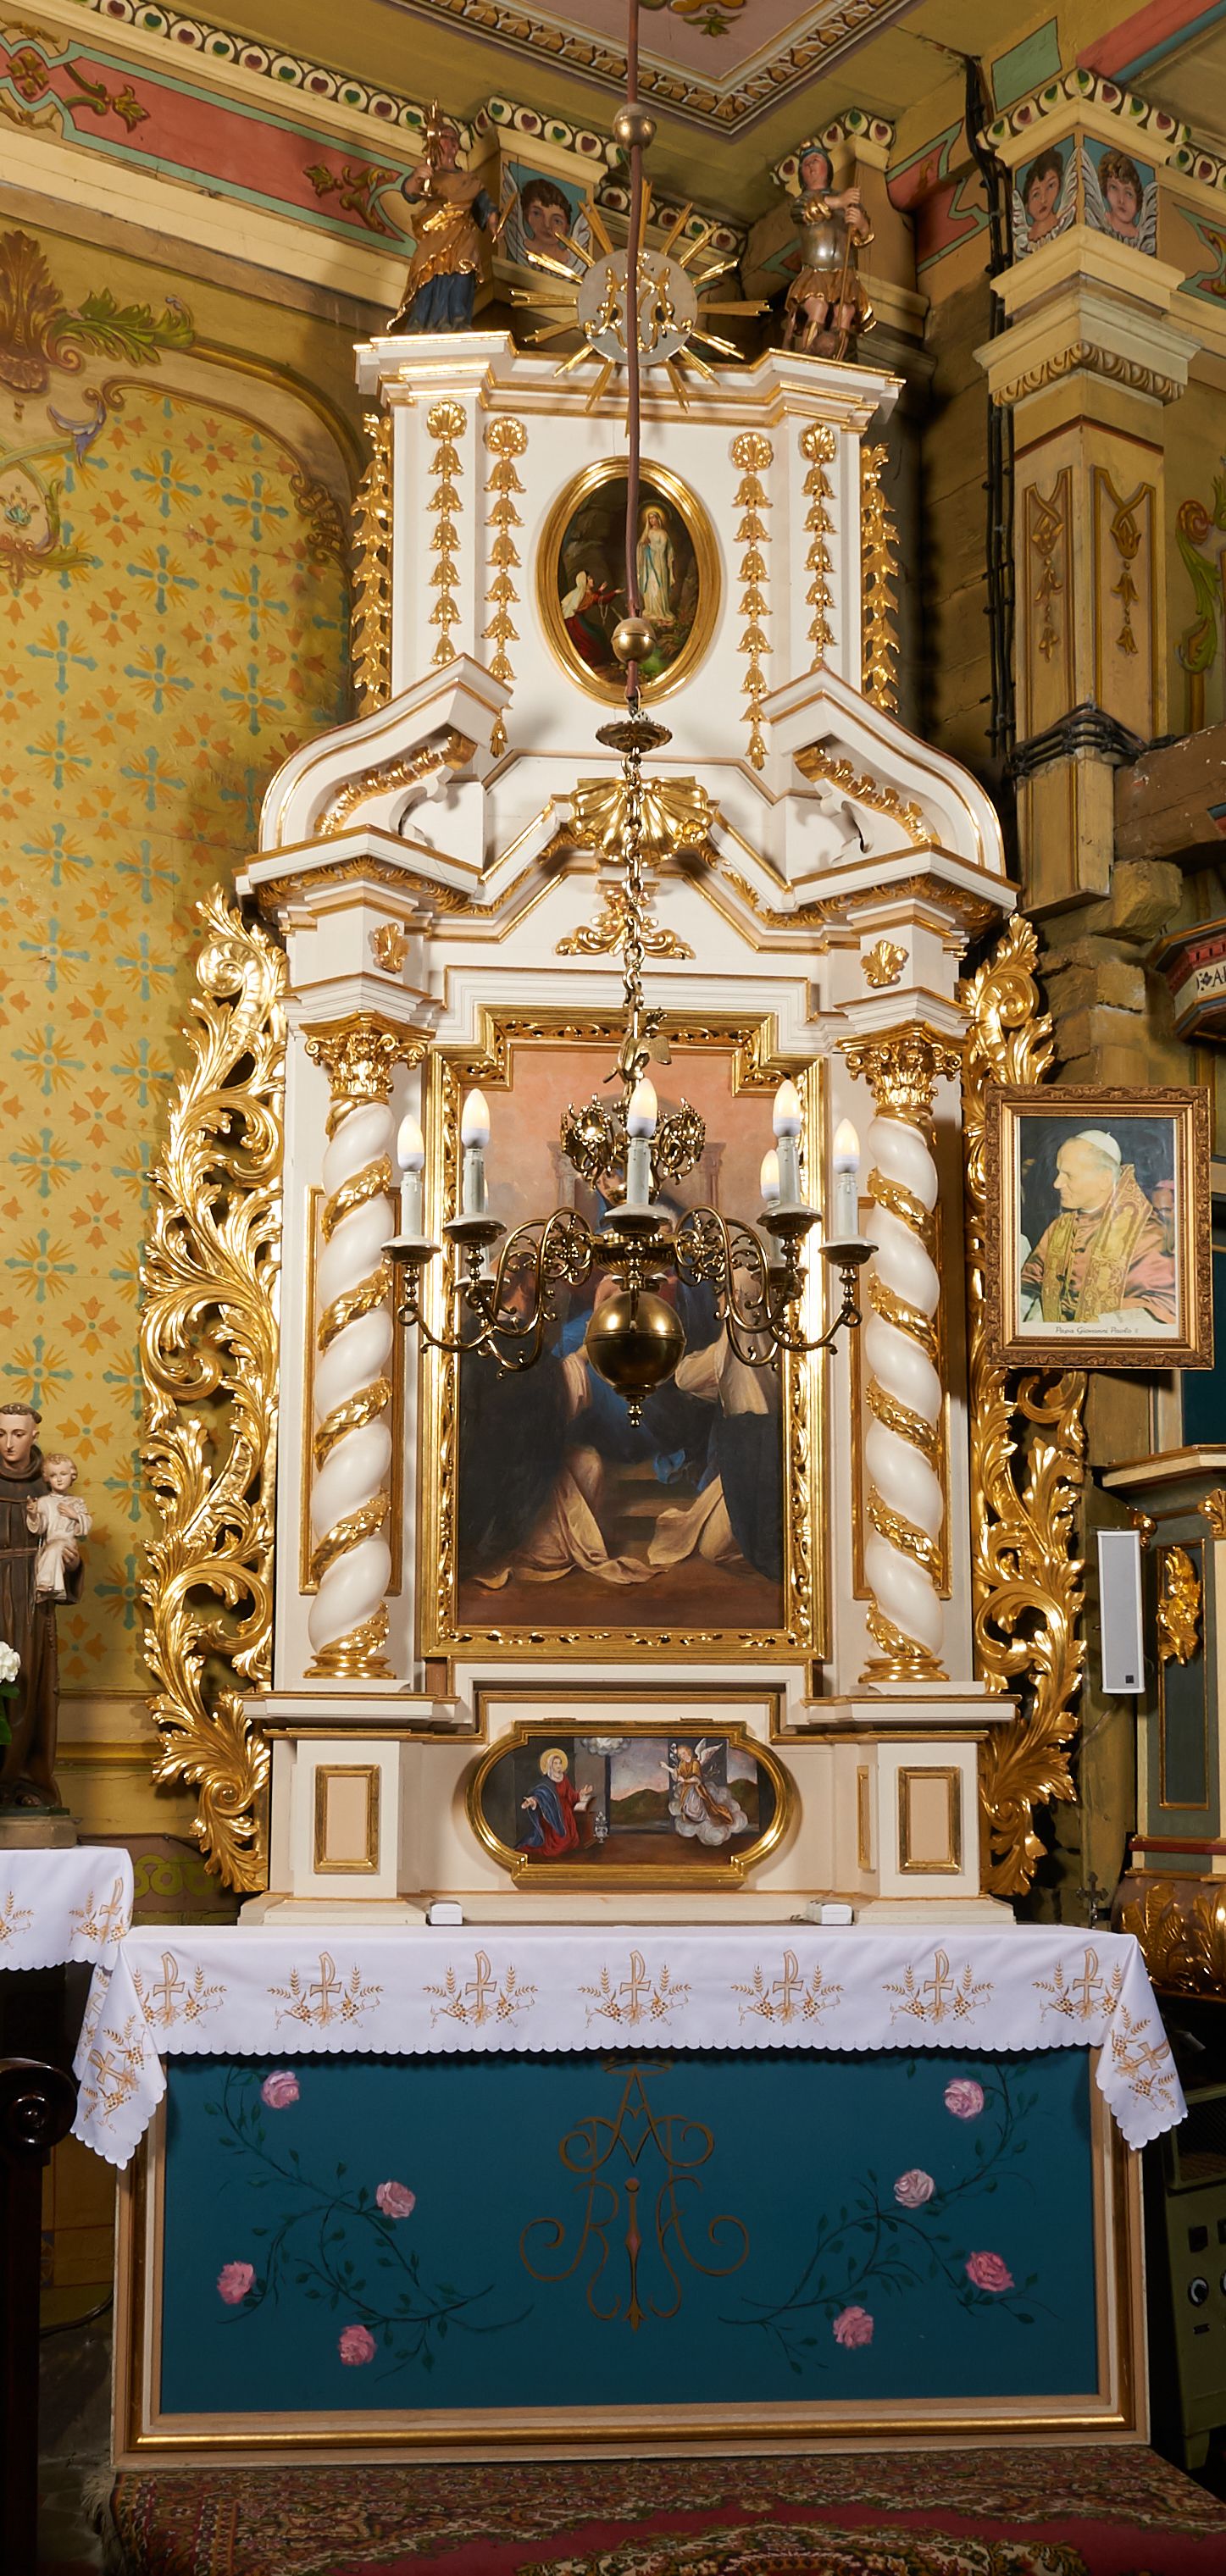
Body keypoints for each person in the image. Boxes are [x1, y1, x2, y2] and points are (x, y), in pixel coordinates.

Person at [0, 1402, 82, 1809]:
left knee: (27, 1689)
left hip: (31, 1594)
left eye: (18, 1434)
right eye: (1, 1434)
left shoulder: (48, 1484)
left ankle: (20, 1782)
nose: (8, 1443)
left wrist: (73, 1562)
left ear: (33, 1435)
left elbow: (67, 1535)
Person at [1018, 1129, 1177, 1332]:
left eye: (1069, 1175)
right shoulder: (1059, 1227)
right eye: (1059, 1172)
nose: (1057, 1184)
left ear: (1105, 1179)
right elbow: (1034, 1292)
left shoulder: (1149, 1236)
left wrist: (1086, 1331)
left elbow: (1162, 1314)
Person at [387, 112, 497, 334]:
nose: (453, 143)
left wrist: (494, 222)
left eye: (455, 139)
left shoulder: (469, 180)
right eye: (447, 138)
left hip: (463, 235)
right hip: (435, 234)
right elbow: (409, 193)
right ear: (436, 142)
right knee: (429, 275)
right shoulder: (430, 175)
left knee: (462, 273)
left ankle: (457, 322)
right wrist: (417, 176)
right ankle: (420, 323)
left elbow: (484, 204)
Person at [27, 1455, 91, 1603]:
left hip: (68, 1544)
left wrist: (75, 1515)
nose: (59, 1479)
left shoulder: (77, 1502)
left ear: (72, 1475)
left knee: (56, 1548)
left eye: (63, 1474)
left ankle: (46, 1583)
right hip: (51, 1543)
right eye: (53, 1475)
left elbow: (86, 1525)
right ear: (47, 1478)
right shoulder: (44, 1502)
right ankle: (53, 1589)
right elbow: (40, 1527)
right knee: (53, 1550)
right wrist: (33, 1514)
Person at [663, 1740, 749, 1847]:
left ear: (688, 1752)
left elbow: (696, 1779)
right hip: (687, 1790)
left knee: (698, 1807)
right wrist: (666, 1767)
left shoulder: (695, 1763)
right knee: (687, 1809)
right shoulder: (682, 1764)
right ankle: (700, 1820)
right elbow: (677, 1773)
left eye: (684, 1753)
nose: (682, 1756)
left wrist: (684, 1780)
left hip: (696, 1789)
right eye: (680, 1755)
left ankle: (708, 1818)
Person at [519, 1747, 592, 1855]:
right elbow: (541, 1795)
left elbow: (571, 1795)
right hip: (552, 1812)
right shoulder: (546, 1781)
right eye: (556, 1763)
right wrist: (532, 1801)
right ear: (550, 1765)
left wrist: (582, 1793)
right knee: (557, 1847)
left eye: (560, 1763)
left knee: (571, 1842)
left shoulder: (564, 1778)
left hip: (566, 1813)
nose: (559, 1766)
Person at [1012, 146, 1070, 254]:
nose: (1043, 200)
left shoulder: (1063, 226)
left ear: (1059, 187)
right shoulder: (1023, 244)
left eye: (1050, 186)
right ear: (1026, 205)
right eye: (1036, 195)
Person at [636, 505, 676, 629]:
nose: (652, 520)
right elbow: (640, 546)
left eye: (653, 518)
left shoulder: (663, 533)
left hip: (659, 564)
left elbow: (662, 549)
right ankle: (651, 611)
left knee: (658, 588)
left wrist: (650, 546)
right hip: (648, 565)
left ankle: (661, 613)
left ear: (658, 519)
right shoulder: (647, 532)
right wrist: (643, 546)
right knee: (650, 587)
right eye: (650, 518)